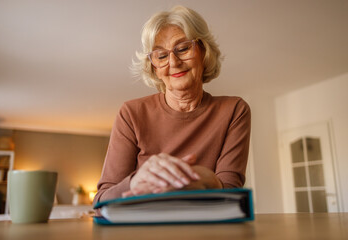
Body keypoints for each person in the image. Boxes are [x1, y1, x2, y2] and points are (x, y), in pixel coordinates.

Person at [94, 5, 251, 204]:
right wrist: (135, 182)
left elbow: (232, 195)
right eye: (161, 56)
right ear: (154, 68)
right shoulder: (131, 113)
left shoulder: (234, 110)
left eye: (183, 48)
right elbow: (101, 201)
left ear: (204, 51)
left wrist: (209, 181)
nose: (173, 62)